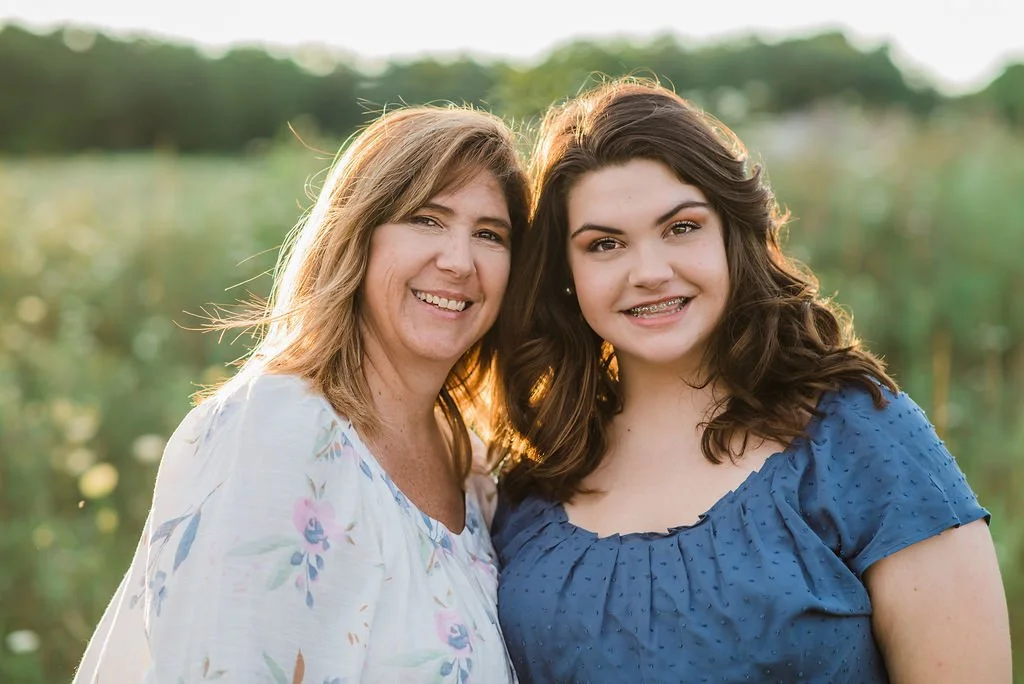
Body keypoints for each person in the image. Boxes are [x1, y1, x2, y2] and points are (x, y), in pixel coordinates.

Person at [489, 78, 1011, 683]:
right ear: (565, 275)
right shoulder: (531, 480)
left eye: (681, 228)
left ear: (734, 235)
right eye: (605, 244)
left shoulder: (859, 439)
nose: (650, 272)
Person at [73, 104, 528, 684]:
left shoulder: (472, 464)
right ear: (357, 236)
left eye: (489, 235)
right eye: (426, 220)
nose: (460, 261)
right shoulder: (276, 429)